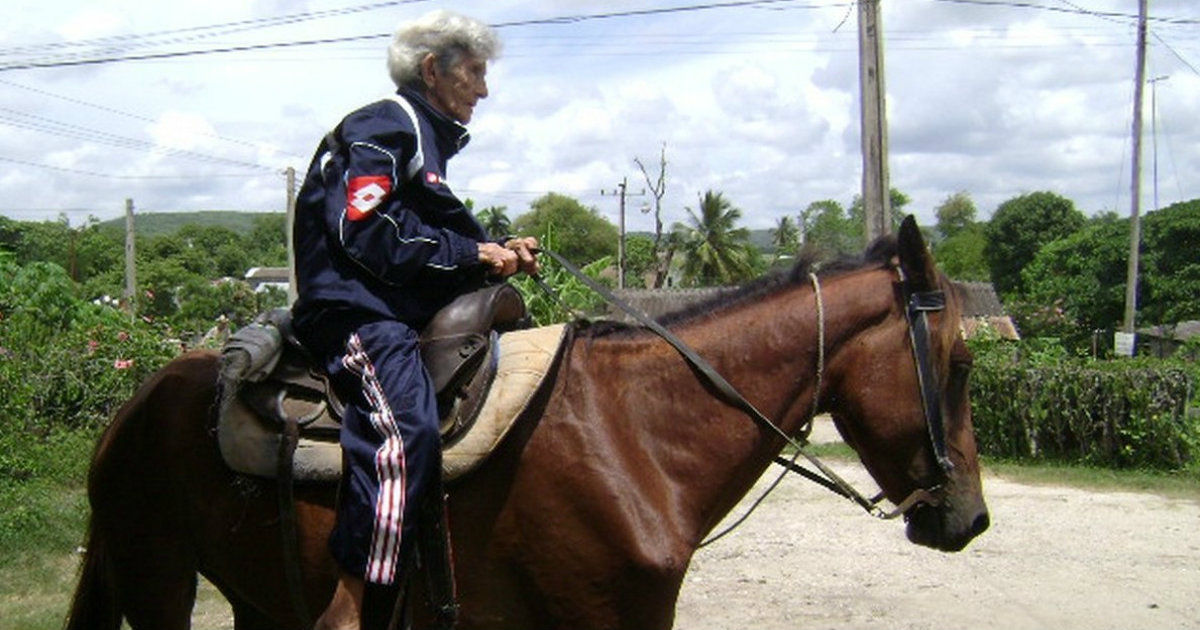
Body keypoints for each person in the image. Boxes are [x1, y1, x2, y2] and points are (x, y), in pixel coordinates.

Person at [289, 10, 538, 629]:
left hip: (399, 310)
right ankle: (348, 607)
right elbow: (363, 227)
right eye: (475, 72)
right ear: (434, 69)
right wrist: (473, 252)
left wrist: (498, 251)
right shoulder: (383, 125)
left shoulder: (424, 141)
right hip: (356, 314)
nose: (484, 89)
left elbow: (426, 238)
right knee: (404, 431)